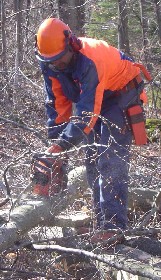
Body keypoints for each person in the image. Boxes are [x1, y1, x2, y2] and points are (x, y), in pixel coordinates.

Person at [34, 17, 151, 242]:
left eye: (59, 60)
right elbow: (58, 105)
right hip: (97, 97)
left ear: (71, 45)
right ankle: (101, 223)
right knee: (92, 158)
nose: (56, 65)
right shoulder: (50, 62)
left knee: (110, 158)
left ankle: (113, 227)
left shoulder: (89, 61)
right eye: (51, 62)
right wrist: (57, 148)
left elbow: (86, 115)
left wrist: (61, 147)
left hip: (122, 93)